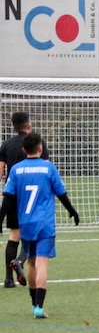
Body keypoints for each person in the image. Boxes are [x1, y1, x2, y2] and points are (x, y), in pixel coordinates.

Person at [0, 132, 79, 318]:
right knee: (42, 262)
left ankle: (33, 303)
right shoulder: (49, 168)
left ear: (23, 149)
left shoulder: (16, 170)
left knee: (32, 262)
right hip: (44, 223)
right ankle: (39, 307)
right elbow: (61, 193)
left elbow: (8, 197)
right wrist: (72, 211)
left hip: (25, 223)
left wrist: (0, 219)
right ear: (41, 148)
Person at [1, 111, 51, 289]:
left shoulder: (6, 145)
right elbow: (46, 169)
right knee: (32, 235)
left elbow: (0, 173)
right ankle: (21, 261)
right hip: (33, 197)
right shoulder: (38, 143)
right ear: (28, 125)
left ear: (14, 127)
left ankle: (8, 279)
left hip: (12, 195)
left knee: (14, 234)